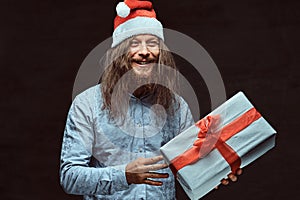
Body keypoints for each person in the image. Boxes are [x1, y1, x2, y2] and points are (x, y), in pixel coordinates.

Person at [60, 0, 241, 199]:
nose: (144, 51)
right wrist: (124, 175)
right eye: (134, 43)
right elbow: (70, 177)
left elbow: (190, 168)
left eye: (152, 43)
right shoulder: (87, 104)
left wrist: (216, 173)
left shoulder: (177, 106)